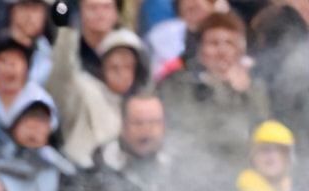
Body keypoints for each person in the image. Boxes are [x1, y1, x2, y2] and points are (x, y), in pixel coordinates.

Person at [156, 11, 270, 177]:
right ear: (201, 51)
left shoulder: (254, 89)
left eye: (229, 43)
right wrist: (218, 89)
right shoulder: (178, 84)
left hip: (242, 175)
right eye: (213, 43)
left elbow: (263, 133)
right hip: (191, 174)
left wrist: (246, 94)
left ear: (239, 51)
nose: (221, 51)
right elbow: (189, 130)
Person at [47, 26, 150, 166]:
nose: (121, 73)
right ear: (102, 67)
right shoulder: (84, 89)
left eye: (127, 67)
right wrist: (67, 28)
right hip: (80, 174)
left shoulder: (141, 104)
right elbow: (62, 72)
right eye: (114, 66)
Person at [236, 119, 296, 191]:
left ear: (288, 158)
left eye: (280, 151)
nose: (272, 157)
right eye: (265, 150)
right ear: (253, 156)